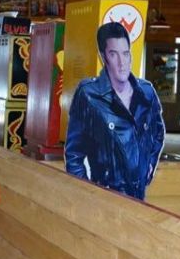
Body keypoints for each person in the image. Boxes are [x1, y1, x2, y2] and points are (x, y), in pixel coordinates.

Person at [64, 22, 165, 201]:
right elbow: (74, 155)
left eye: (125, 54)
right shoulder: (89, 95)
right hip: (105, 198)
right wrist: (86, 195)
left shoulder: (146, 93)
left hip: (139, 197)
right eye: (114, 54)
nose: (122, 63)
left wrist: (148, 166)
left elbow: (158, 133)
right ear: (103, 57)